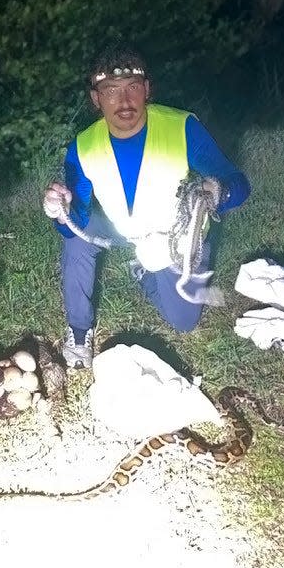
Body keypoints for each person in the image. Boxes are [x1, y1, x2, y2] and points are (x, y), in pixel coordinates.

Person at [43, 44, 250, 369]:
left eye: (133, 88)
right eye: (111, 91)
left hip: (175, 235)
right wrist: (62, 211)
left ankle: (145, 271)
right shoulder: (82, 147)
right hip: (122, 226)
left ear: (147, 90)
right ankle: (79, 330)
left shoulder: (182, 127)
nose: (124, 102)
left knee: (183, 321)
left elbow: (239, 184)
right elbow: (77, 220)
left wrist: (216, 191)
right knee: (76, 240)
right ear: (96, 99)